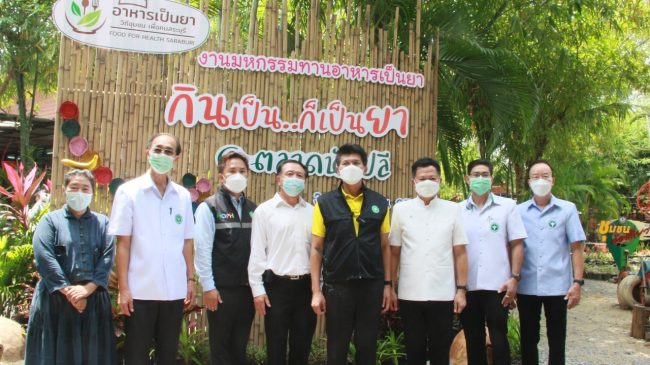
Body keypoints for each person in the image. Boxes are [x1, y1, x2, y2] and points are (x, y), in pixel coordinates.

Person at [109, 133, 196, 365]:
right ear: (147, 152)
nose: (162, 155)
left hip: (174, 292)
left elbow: (187, 242)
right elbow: (123, 244)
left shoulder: (183, 196)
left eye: (168, 151)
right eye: (157, 149)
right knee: (136, 355)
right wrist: (124, 288)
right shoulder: (129, 192)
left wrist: (190, 279)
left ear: (176, 158)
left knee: (167, 355)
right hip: (140, 291)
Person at [310, 143, 392, 365]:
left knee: (367, 348)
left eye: (356, 163)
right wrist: (316, 291)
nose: (351, 167)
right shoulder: (324, 203)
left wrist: (387, 284)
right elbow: (317, 248)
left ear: (365, 167)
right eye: (346, 163)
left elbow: (385, 246)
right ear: (338, 169)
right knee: (336, 348)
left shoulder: (379, 202)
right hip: (338, 287)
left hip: (371, 286)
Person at [25, 169, 115, 365]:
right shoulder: (49, 221)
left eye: (85, 188)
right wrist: (70, 292)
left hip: (93, 302)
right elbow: (44, 257)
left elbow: (107, 258)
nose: (79, 192)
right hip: (55, 301)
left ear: (92, 192)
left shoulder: (103, 223)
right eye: (74, 187)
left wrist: (86, 289)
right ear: (64, 190)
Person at [389, 158, 468, 365]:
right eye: (422, 178)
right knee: (413, 348)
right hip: (409, 293)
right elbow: (394, 252)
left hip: (443, 292)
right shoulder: (401, 210)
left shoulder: (453, 209)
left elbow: (460, 252)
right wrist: (390, 286)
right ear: (414, 181)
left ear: (439, 180)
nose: (427, 182)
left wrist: (461, 289)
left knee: (440, 349)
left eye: (432, 178)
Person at [517, 160, 585, 365]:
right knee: (528, 338)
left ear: (553, 180)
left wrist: (577, 282)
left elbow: (576, 248)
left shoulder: (567, 209)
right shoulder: (518, 211)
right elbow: (513, 248)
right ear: (529, 181)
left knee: (557, 339)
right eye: (535, 176)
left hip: (558, 286)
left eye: (545, 176)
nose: (540, 180)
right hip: (526, 285)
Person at [248, 159, 316, 365]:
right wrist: (257, 290)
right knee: (275, 348)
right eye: (289, 174)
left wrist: (318, 289)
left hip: (306, 288)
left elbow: (319, 253)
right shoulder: (264, 211)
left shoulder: (313, 212)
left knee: (302, 348)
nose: (294, 179)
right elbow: (257, 252)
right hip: (276, 288)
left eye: (300, 175)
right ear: (279, 179)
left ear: (305, 181)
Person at [460, 159, 527, 365]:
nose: (480, 178)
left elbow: (517, 244)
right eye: (476, 174)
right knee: (473, 339)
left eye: (485, 174)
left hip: (498, 286)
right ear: (467, 178)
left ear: (492, 178)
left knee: (499, 339)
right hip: (467, 286)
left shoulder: (507, 207)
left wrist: (514, 278)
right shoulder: (457, 210)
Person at [194, 150, 257, 365]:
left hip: (247, 290)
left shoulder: (253, 210)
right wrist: (209, 287)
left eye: (242, 171)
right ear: (222, 177)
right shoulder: (209, 207)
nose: (238, 175)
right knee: (220, 349)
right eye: (232, 171)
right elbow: (202, 250)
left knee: (239, 348)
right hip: (221, 292)